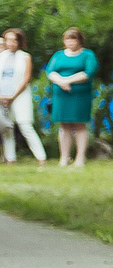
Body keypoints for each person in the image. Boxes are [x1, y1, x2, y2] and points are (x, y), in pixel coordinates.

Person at [45, 28, 99, 169]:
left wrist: (69, 80)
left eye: (73, 39)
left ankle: (80, 157)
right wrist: (61, 81)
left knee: (80, 124)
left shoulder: (87, 54)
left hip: (79, 94)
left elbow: (89, 72)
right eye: (67, 39)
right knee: (64, 125)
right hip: (61, 94)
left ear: (80, 40)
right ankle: (64, 157)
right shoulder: (58, 55)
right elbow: (50, 71)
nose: (70, 42)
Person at [0, 29, 44, 164]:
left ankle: (41, 157)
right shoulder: (2, 56)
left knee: (25, 125)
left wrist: (13, 96)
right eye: (8, 40)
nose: (11, 43)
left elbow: (26, 78)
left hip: (20, 95)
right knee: (7, 128)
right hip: (2, 97)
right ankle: (10, 158)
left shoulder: (25, 57)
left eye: (14, 40)